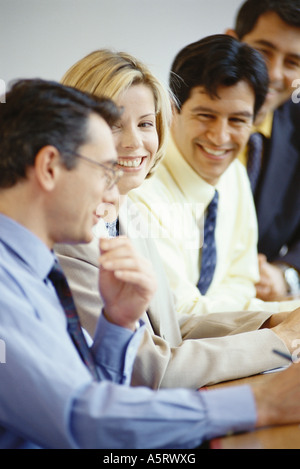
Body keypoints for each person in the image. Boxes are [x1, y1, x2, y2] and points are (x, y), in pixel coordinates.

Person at [2, 78, 300, 450]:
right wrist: (263, 403)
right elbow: (78, 418)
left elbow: (94, 389)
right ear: (49, 167)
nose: (114, 192)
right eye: (105, 170)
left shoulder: (35, 270)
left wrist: (118, 324)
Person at [56, 48, 298, 391]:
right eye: (113, 125)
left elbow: (168, 325)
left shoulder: (126, 212)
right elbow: (150, 369)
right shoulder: (67, 237)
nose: (134, 142)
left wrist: (272, 320)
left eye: (144, 124)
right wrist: (279, 341)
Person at [130, 34, 300, 318]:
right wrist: (285, 315)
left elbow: (242, 281)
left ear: (255, 119)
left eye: (237, 120)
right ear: (173, 109)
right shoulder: (139, 188)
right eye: (206, 115)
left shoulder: (233, 171)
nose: (220, 138)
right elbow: (179, 313)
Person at [226, 0, 300, 301]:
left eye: (293, 62)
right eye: (262, 52)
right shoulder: (167, 117)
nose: (272, 73)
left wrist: (285, 275)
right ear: (232, 41)